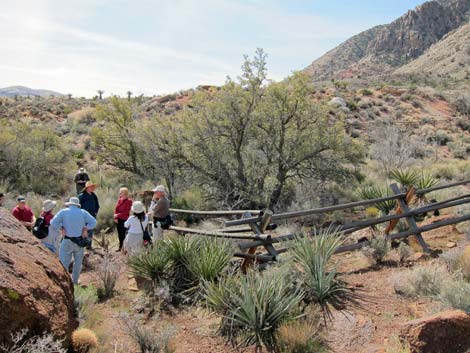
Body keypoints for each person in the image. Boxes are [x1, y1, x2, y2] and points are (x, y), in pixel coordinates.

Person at [50, 197, 97, 285]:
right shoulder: (83, 212)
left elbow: (52, 223)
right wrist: (86, 228)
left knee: (64, 262)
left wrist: (61, 227)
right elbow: (94, 222)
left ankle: (64, 282)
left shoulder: (63, 212)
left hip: (67, 240)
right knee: (78, 263)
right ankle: (75, 281)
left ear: (69, 204)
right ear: (77, 205)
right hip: (79, 241)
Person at [78, 181, 100, 249]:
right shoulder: (82, 196)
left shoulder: (94, 195)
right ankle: (81, 244)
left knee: (90, 230)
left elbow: (97, 205)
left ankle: (88, 245)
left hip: (92, 215)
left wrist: (95, 212)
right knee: (82, 230)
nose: (93, 188)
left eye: (93, 187)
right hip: (83, 215)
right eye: (91, 187)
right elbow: (78, 205)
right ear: (87, 188)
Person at [113, 187, 132, 252]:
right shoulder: (120, 200)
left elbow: (126, 212)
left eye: (121, 192)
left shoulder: (129, 201)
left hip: (124, 219)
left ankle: (125, 248)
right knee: (119, 234)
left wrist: (117, 215)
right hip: (118, 219)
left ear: (125, 193)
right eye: (120, 192)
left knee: (123, 234)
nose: (120, 193)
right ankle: (120, 247)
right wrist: (115, 217)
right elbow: (116, 209)